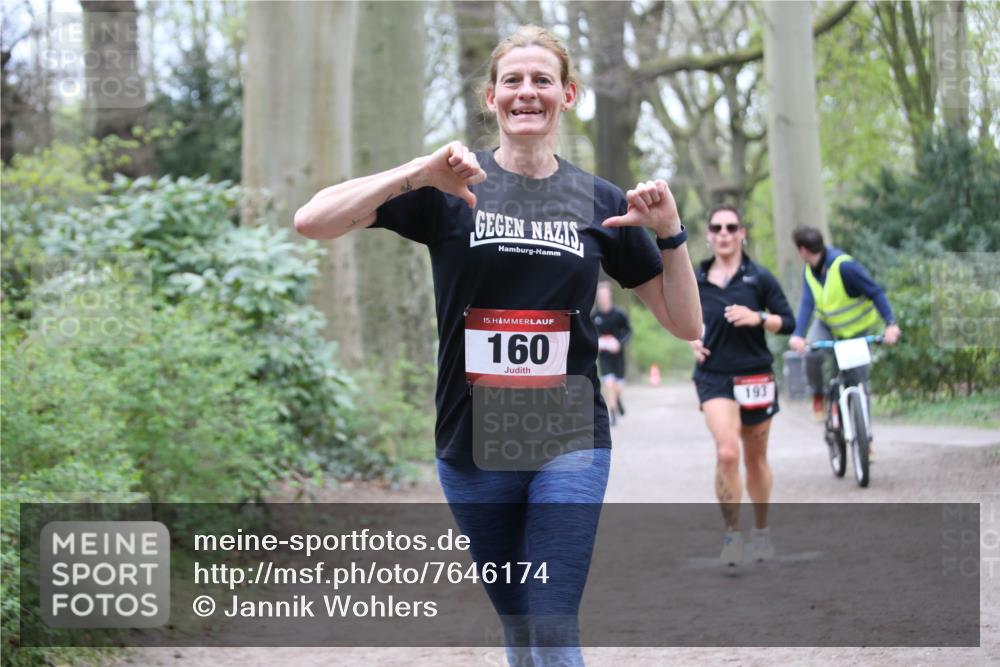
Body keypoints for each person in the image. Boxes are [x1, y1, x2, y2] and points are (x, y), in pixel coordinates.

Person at [294, 25, 701, 666]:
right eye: (512, 80)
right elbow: (312, 221)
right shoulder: (453, 189)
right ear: (492, 97)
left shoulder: (598, 201)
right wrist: (417, 172)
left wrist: (672, 234)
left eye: (542, 80)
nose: (526, 92)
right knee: (518, 621)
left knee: (552, 615)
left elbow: (685, 325)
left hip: (568, 433)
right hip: (472, 438)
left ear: (568, 95)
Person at [688, 206, 795, 567]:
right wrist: (688, 338)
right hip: (714, 375)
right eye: (716, 227)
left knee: (756, 459)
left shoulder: (759, 278)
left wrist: (759, 317)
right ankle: (733, 534)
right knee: (727, 453)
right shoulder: (695, 278)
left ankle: (761, 532)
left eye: (731, 227)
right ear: (708, 234)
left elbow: (790, 322)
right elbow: (678, 315)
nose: (724, 233)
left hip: (755, 375)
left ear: (742, 233)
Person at [787, 227, 901, 453]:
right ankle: (818, 395)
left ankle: (865, 439)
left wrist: (891, 324)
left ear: (802, 250)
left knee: (859, 383)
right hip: (827, 327)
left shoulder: (845, 266)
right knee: (811, 352)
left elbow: (875, 292)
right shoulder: (809, 271)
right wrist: (798, 334)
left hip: (856, 332)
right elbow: (807, 304)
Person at [591, 281, 632, 425]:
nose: (602, 298)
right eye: (599, 296)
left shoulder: (619, 314)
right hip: (604, 356)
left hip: (618, 356)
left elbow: (628, 332)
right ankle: (613, 413)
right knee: (609, 384)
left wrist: (619, 343)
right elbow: (590, 335)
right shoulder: (594, 316)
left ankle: (618, 399)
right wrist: (598, 342)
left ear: (610, 295)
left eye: (604, 295)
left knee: (618, 386)